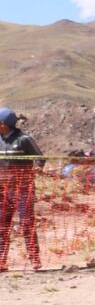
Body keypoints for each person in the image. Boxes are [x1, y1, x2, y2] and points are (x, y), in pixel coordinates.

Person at [0, 108, 44, 273]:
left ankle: (34, 259)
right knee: (2, 225)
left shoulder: (24, 139)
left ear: (4, 124)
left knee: (26, 223)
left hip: (23, 189)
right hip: (2, 190)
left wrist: (37, 168)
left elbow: (40, 159)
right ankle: (1, 261)